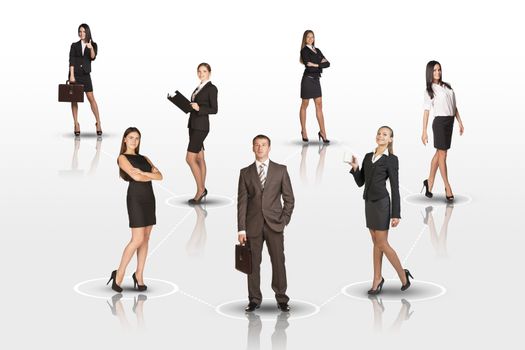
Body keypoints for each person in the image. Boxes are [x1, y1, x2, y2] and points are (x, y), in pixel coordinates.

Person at [348, 126, 413, 294]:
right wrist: (355, 167)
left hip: (383, 204)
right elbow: (361, 182)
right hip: (369, 203)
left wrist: (396, 213)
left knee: (382, 243)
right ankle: (377, 278)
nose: (380, 136)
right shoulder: (368, 156)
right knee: (376, 243)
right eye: (379, 133)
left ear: (390, 139)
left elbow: (395, 188)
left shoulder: (391, 159)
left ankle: (402, 274)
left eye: (385, 134)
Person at [237, 135, 295, 312]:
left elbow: (289, 199)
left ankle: (282, 298)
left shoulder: (281, 170)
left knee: (278, 261)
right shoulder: (245, 173)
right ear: (252, 148)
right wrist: (241, 229)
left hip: (275, 224)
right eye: (257, 145)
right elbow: (242, 202)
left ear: (269, 148)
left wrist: (284, 220)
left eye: (263, 145)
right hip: (252, 225)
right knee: (252, 264)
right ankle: (254, 299)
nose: (260, 148)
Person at [107, 127, 163, 292]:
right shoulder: (122, 158)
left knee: (145, 239)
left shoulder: (144, 157)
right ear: (124, 139)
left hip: (149, 198)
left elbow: (161, 176)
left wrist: (145, 173)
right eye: (130, 137)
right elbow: (136, 177)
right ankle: (119, 273)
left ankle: (139, 274)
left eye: (137, 138)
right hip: (136, 198)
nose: (134, 141)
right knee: (137, 239)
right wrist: (147, 174)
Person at [421, 60, 464, 201]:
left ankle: (429, 182)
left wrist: (459, 121)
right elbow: (426, 111)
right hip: (439, 123)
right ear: (429, 72)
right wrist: (424, 131)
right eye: (434, 70)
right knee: (443, 155)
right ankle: (447, 186)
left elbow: (454, 106)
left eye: (439, 69)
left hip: (450, 122)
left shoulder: (447, 86)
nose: (437, 72)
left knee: (439, 153)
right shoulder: (430, 90)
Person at [186, 63, 218, 204]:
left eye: (204, 71)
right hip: (193, 124)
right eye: (199, 71)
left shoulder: (212, 88)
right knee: (199, 158)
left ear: (209, 73)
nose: (201, 73)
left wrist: (199, 107)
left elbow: (214, 109)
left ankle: (200, 190)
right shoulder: (198, 88)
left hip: (201, 126)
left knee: (189, 158)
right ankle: (202, 188)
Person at [68, 23, 102, 136]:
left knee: (91, 98)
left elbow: (93, 57)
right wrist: (71, 75)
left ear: (87, 32)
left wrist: (91, 48)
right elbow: (71, 60)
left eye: (83, 31)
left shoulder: (93, 44)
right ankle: (76, 123)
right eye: (80, 31)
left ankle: (98, 122)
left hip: (86, 75)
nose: (81, 33)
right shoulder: (74, 45)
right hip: (75, 75)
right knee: (74, 99)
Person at [299, 30, 330, 143]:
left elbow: (328, 64)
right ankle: (303, 130)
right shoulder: (304, 51)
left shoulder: (317, 50)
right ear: (305, 39)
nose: (311, 39)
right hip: (307, 80)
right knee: (305, 104)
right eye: (308, 37)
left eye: (312, 37)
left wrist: (315, 64)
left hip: (316, 81)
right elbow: (308, 65)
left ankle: (323, 132)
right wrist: (319, 62)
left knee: (319, 105)